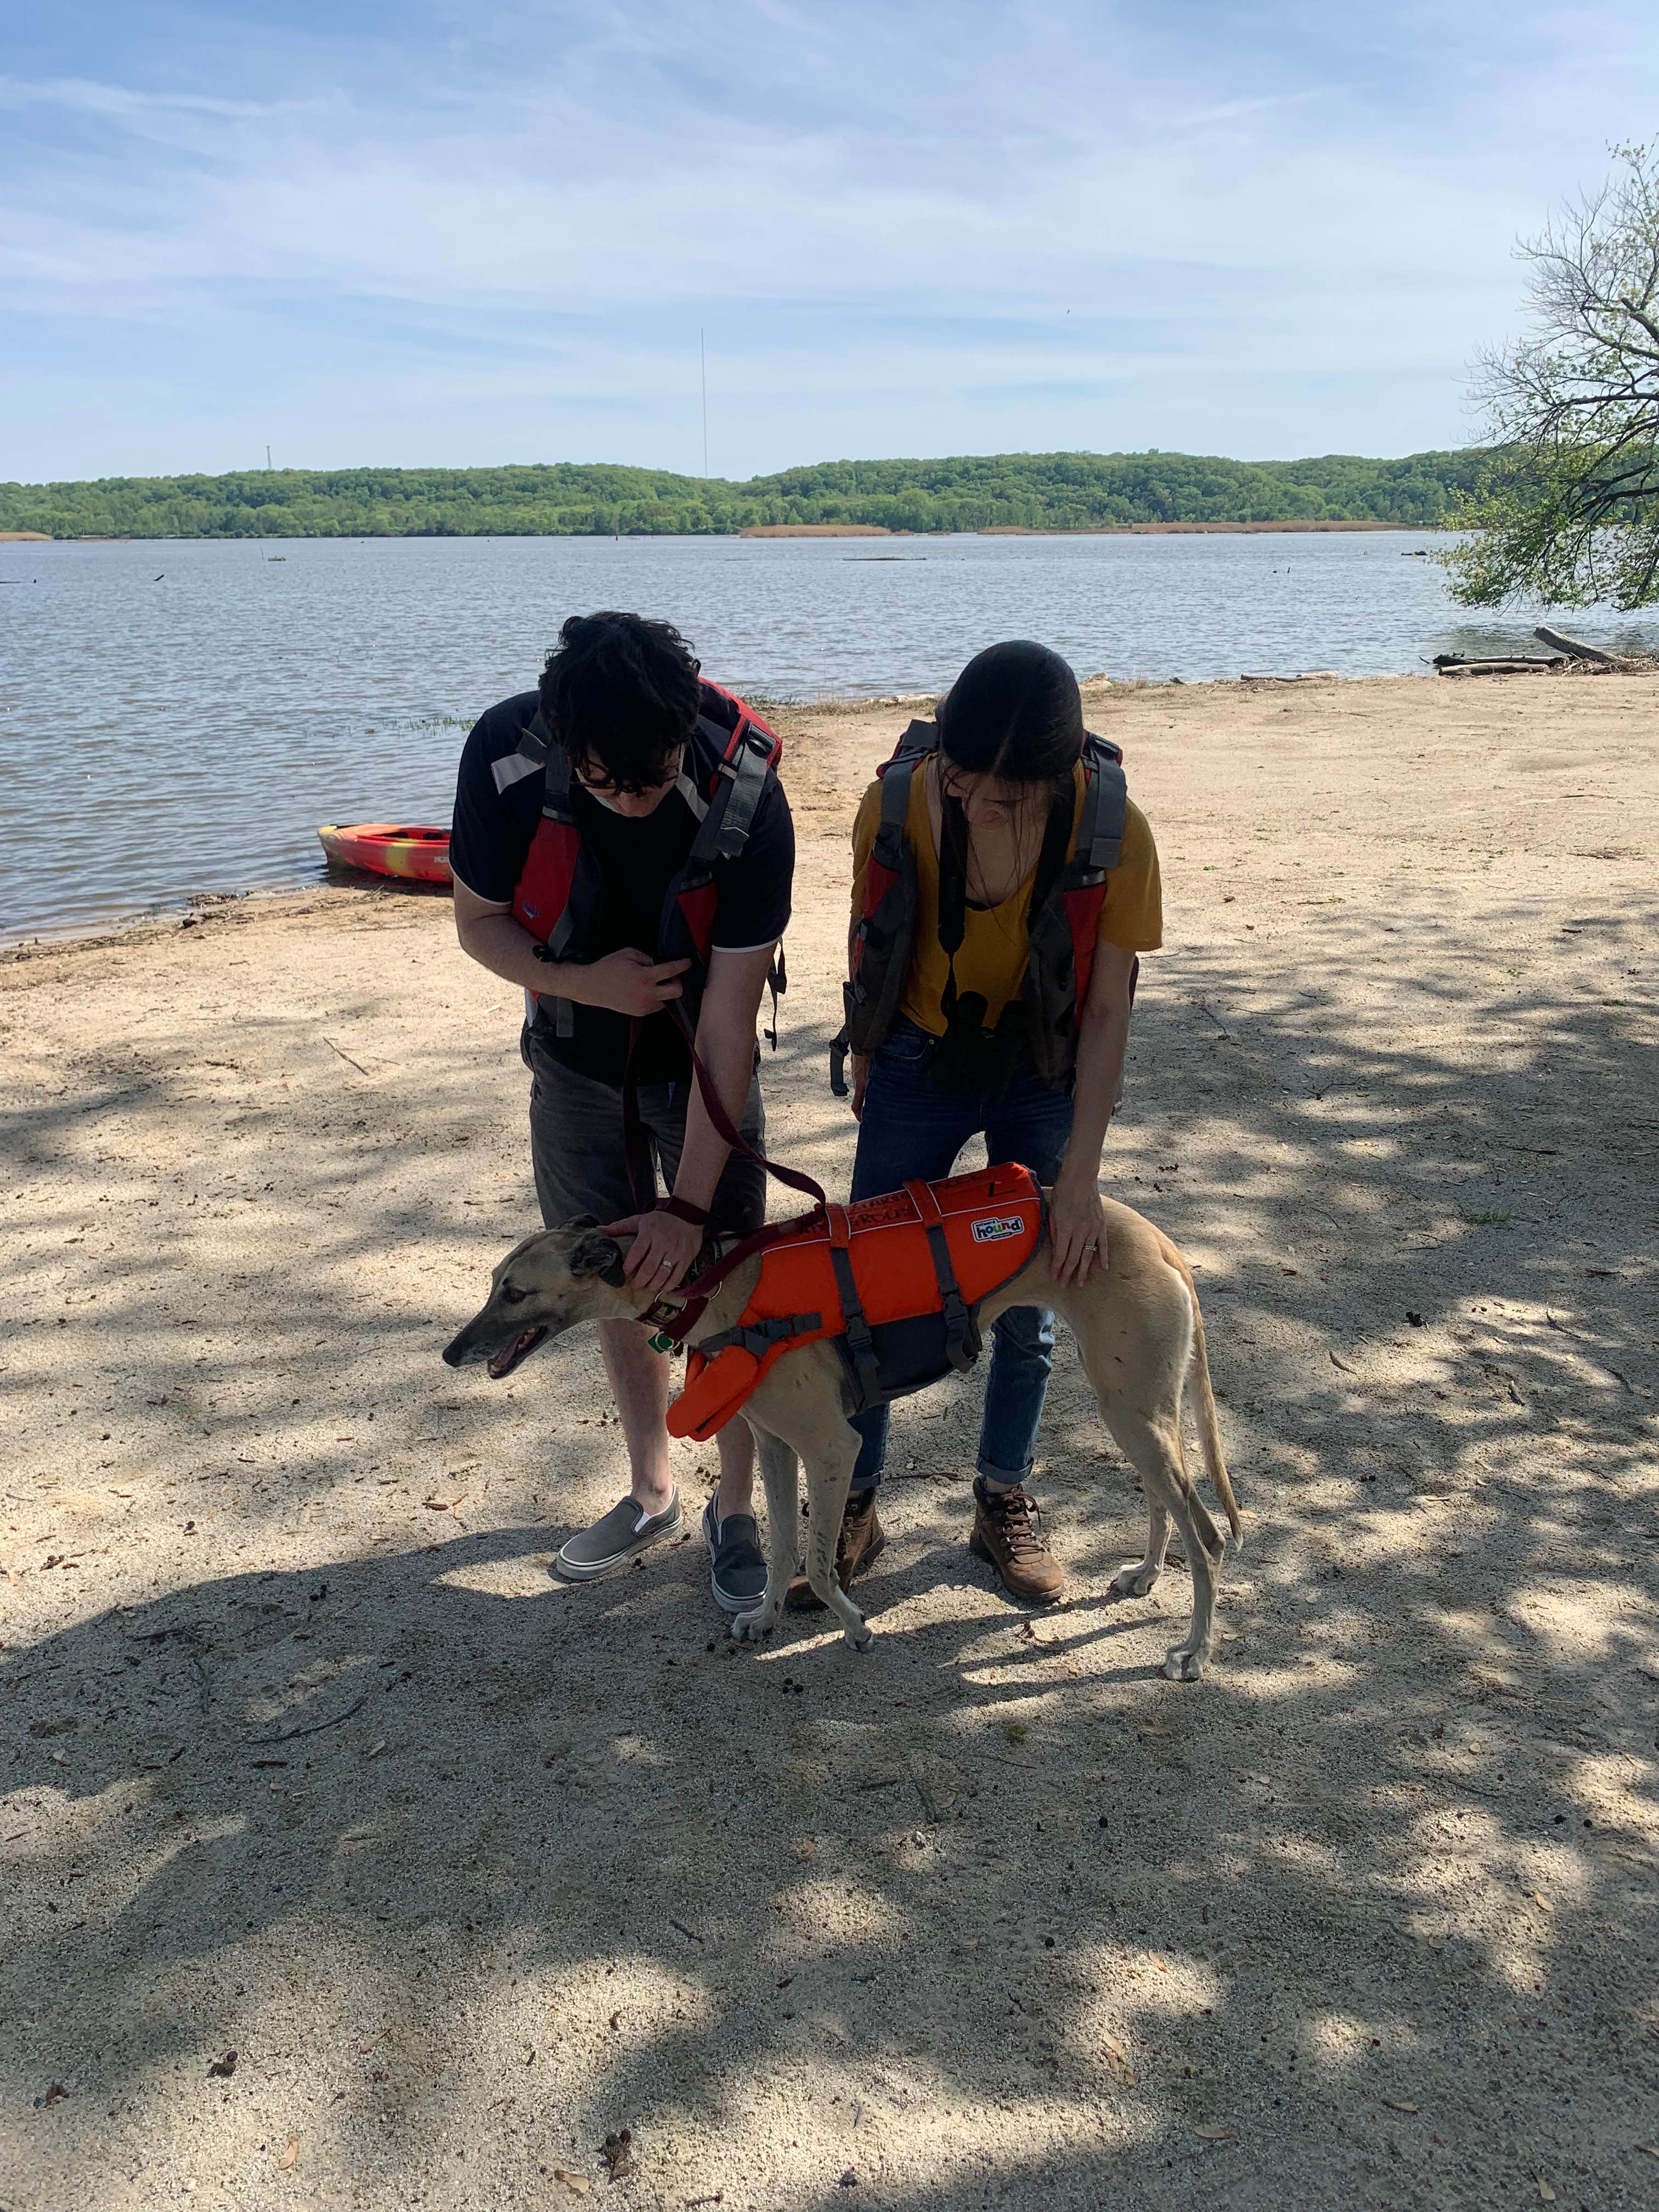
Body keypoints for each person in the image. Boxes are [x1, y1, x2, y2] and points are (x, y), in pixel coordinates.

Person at [448, 611, 794, 1615]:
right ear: (565, 743)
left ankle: (735, 1506)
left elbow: (730, 1031)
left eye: (654, 777)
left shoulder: (748, 791)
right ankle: (651, 1489)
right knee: (607, 1281)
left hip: (699, 1066)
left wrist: (687, 1213)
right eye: (610, 783)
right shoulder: (504, 755)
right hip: (573, 1059)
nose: (638, 802)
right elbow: (478, 926)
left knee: (722, 1284)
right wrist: (588, 986)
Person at [816, 639, 1161, 1610]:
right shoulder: (894, 803)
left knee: (1037, 1291)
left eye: (1010, 799)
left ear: (1059, 781)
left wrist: (1082, 1183)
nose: (977, 807)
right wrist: (873, 1058)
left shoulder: (1115, 832)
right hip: (922, 1057)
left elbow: (1106, 1012)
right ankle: (856, 1501)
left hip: (1039, 1068)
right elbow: (868, 935)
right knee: (870, 1291)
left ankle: (1002, 1496)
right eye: (964, 783)